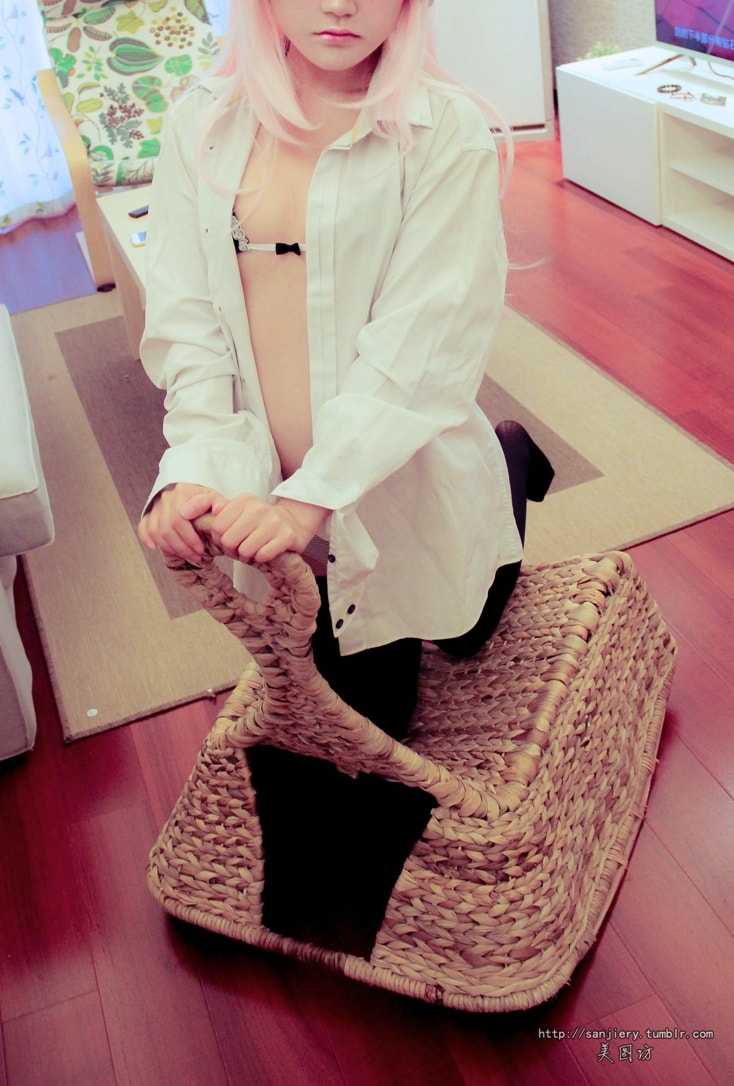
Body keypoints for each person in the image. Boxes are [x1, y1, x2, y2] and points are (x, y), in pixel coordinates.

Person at [138, 0, 553, 954]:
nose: (340, 4)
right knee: (321, 721)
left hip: (391, 480)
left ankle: (507, 465)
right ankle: (507, 460)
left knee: (456, 634)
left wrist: (309, 500)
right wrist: (192, 472)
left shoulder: (444, 133)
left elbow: (423, 349)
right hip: (278, 489)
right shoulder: (200, 120)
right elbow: (188, 322)